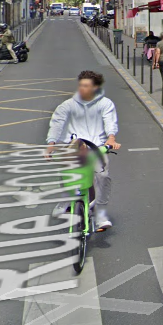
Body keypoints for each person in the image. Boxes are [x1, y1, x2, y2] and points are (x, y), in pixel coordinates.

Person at [44, 70, 121, 230]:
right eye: (81, 85)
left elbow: (110, 122)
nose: (82, 88)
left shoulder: (105, 104)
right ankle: (65, 200)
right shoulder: (68, 105)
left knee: (102, 176)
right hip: (73, 145)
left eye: (86, 86)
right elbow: (57, 122)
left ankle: (100, 215)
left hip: (96, 146)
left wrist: (111, 138)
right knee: (67, 173)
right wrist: (51, 143)